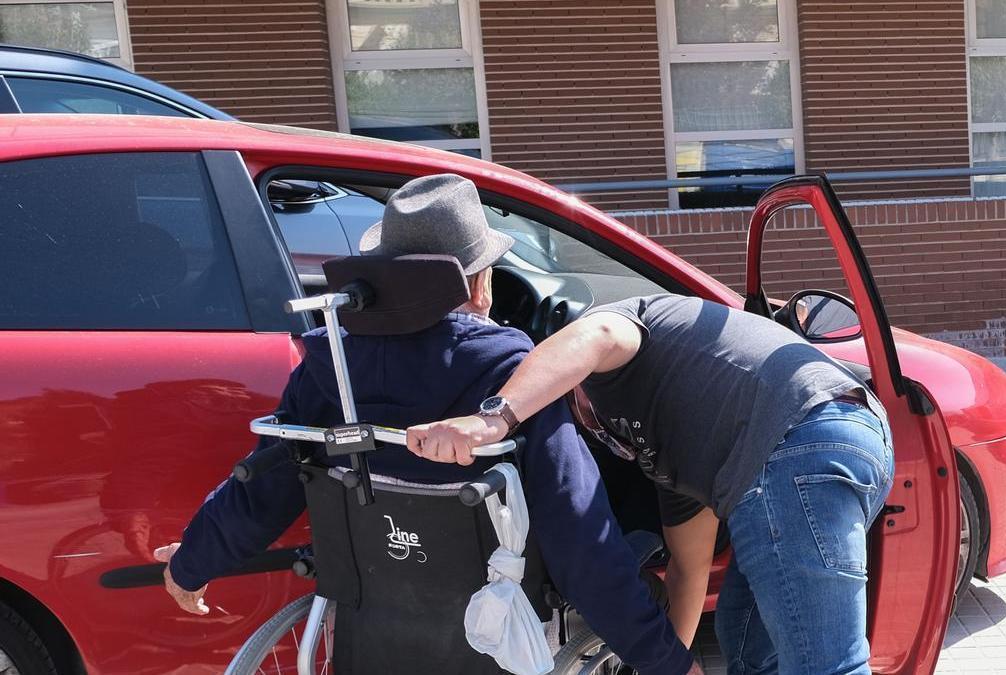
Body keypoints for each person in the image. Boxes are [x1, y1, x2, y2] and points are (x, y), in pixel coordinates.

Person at [153, 174, 700, 675]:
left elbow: (263, 485)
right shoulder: (509, 370)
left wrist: (193, 562)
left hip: (376, 614)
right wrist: (664, 659)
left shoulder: (332, 367)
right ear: (478, 282)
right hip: (497, 622)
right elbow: (578, 531)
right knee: (640, 549)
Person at [408, 294, 896, 675]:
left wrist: (495, 419)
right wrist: (670, 664)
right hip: (828, 445)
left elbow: (594, 336)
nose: (585, 432)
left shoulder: (619, 331)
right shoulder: (670, 458)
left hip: (800, 440)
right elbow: (690, 568)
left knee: (822, 665)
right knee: (745, 638)